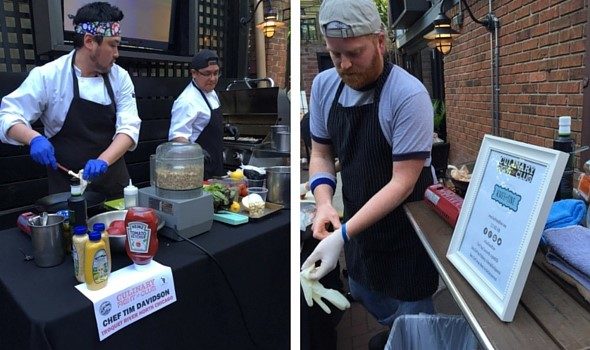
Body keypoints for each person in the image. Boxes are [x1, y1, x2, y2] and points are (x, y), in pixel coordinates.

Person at [300, 0, 439, 348]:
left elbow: (402, 182)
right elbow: (320, 152)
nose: (344, 64)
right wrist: (324, 204)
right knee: (364, 289)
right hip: (360, 223)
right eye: (335, 54)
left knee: (414, 320)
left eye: (354, 53)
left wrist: (341, 236)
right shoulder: (324, 87)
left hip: (407, 228)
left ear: (380, 41)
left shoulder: (408, 95)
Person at [0, 2, 141, 199]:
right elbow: (8, 115)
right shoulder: (49, 75)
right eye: (113, 44)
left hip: (113, 184)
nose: (117, 53)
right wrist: (34, 138)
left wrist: (103, 161)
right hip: (67, 188)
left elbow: (129, 128)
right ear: (90, 41)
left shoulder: (121, 77)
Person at [168, 49, 238, 180]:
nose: (212, 79)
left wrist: (225, 128)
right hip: (197, 170)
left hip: (215, 166)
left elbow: (204, 123)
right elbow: (176, 137)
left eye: (216, 73)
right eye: (207, 74)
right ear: (194, 73)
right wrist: (195, 150)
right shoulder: (187, 101)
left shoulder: (211, 92)